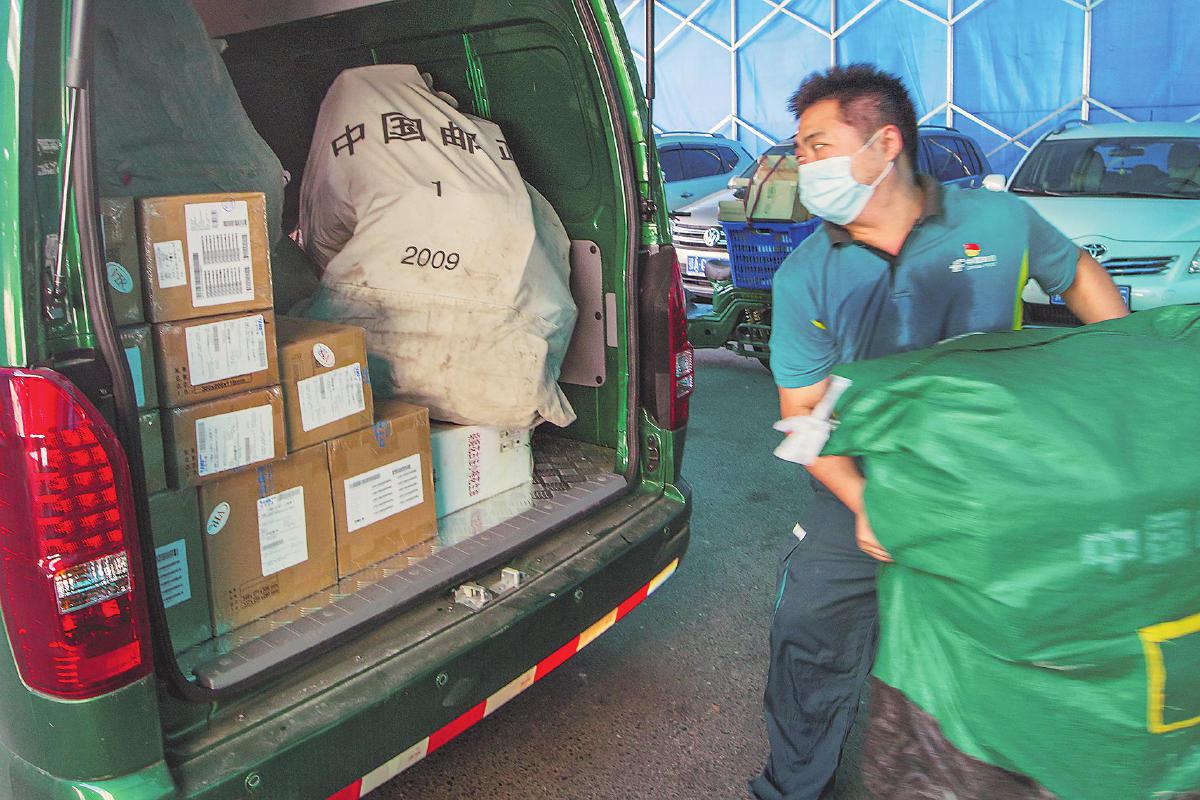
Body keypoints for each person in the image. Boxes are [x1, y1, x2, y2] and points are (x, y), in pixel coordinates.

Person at [752, 64, 1129, 800]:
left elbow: (1078, 274)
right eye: (800, 151)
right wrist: (865, 503)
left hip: (991, 479)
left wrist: (1118, 365)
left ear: (885, 144)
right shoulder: (806, 274)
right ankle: (792, 788)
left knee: (1019, 642)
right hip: (863, 482)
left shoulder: (997, 222)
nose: (804, 166)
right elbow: (801, 417)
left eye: (818, 146)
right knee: (809, 633)